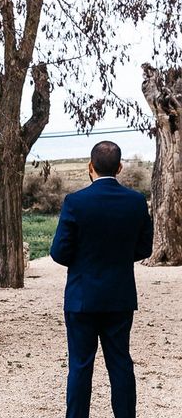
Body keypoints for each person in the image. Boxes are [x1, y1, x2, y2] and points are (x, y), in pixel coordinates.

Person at [50, 141, 153, 418]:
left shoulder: (75, 202)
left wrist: (83, 260)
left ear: (90, 166)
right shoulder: (136, 201)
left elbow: (59, 252)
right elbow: (145, 248)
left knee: (81, 366)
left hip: (82, 298)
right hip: (119, 296)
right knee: (120, 363)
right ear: (120, 167)